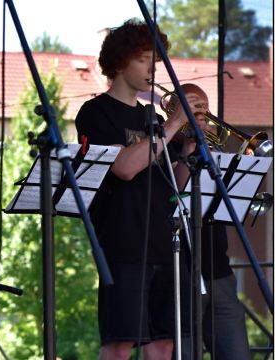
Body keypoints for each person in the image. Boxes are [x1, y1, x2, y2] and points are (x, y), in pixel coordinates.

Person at [74, 19, 207, 359]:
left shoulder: (152, 117)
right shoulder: (95, 112)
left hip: (166, 243)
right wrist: (175, 123)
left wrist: (190, 150)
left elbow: (174, 185)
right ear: (120, 62)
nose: (153, 69)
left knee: (164, 344)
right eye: (144, 59)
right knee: (119, 345)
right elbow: (125, 168)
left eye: (155, 61)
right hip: (123, 244)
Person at [169, 84, 251, 360]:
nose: (202, 114)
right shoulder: (164, 145)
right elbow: (172, 193)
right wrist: (189, 147)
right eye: (195, 108)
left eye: (204, 108)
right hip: (180, 272)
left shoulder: (216, 148)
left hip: (219, 269)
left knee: (236, 352)